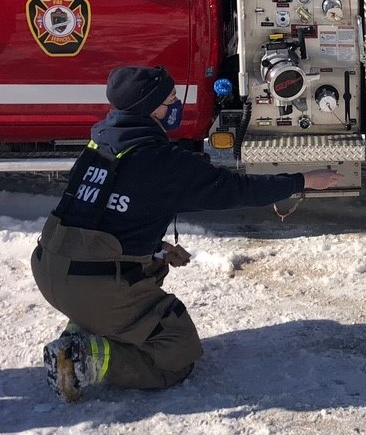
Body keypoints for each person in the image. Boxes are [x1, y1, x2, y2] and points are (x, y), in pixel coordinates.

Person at [30, 65, 341, 402]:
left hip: (52, 269)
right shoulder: (161, 162)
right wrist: (303, 180)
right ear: (150, 108)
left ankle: (83, 325)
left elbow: (102, 212)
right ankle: (81, 358)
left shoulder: (103, 142)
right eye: (171, 100)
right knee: (176, 354)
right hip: (89, 285)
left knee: (153, 265)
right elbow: (237, 189)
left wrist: (152, 247)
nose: (177, 106)